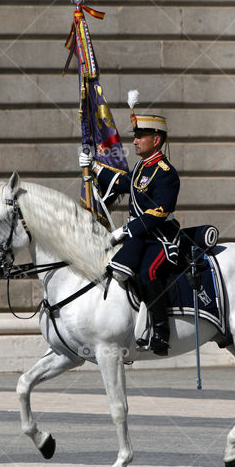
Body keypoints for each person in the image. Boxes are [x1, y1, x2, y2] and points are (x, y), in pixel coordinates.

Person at [78, 104, 180, 356]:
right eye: (135, 136)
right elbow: (122, 182)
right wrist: (94, 166)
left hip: (160, 237)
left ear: (156, 140)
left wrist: (125, 230)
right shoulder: (142, 169)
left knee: (149, 271)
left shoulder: (166, 173)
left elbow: (159, 212)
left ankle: (160, 332)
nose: (134, 141)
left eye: (139, 136)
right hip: (140, 236)